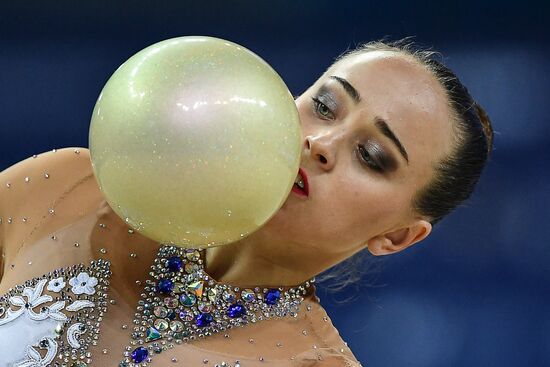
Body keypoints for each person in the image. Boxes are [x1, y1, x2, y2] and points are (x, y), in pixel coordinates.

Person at [0, 39, 493, 366]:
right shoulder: (64, 186)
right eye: (325, 106)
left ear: (398, 236)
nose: (321, 143)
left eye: (371, 156)